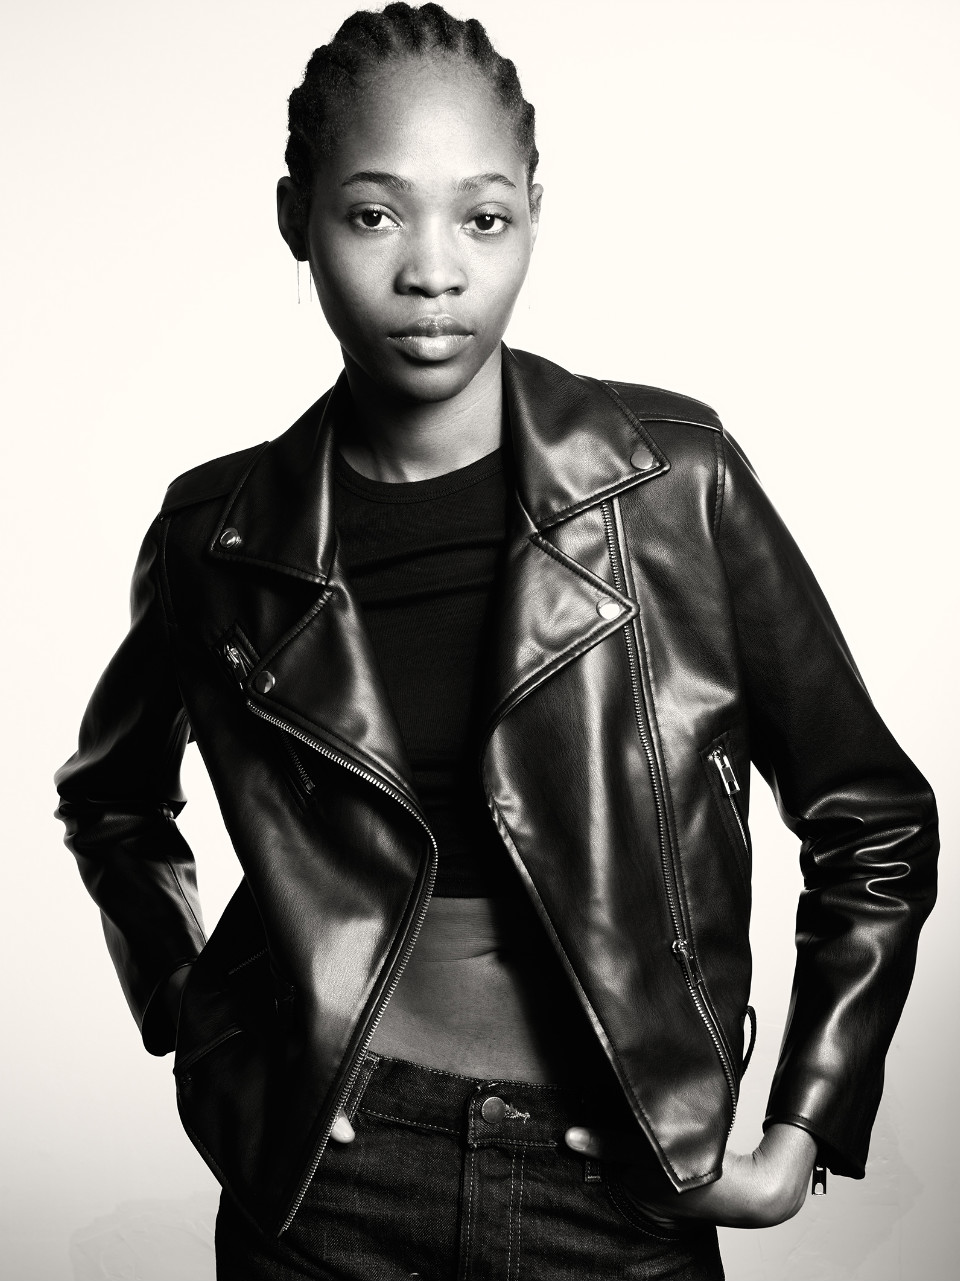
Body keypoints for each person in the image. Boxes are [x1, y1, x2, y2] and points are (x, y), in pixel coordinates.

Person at [54, 4, 938, 1278]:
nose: (434, 272)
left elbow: (874, 820)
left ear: (534, 214)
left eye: (482, 217)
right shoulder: (218, 536)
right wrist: (198, 1018)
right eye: (374, 214)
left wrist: (807, 1124)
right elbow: (113, 803)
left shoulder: (672, 485)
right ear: (296, 217)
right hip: (329, 1185)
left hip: (617, 1187)